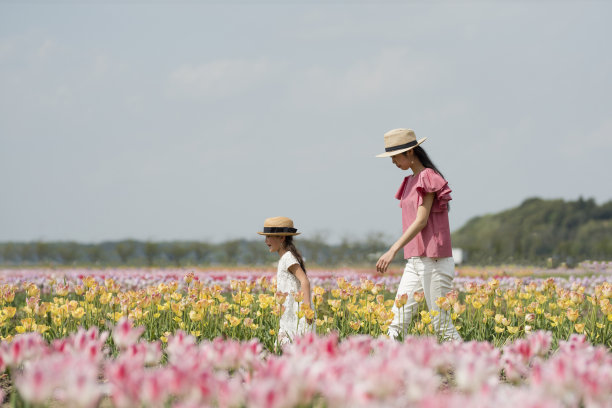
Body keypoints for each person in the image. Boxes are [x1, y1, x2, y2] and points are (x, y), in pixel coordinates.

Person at [375, 128, 461, 341]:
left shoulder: (428, 177)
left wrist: (392, 249)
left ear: (410, 152)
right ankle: (388, 369)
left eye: (395, 156)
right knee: (397, 321)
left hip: (434, 260)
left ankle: (474, 365)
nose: (393, 161)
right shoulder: (409, 181)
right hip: (415, 260)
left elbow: (421, 221)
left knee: (440, 324)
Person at [258, 216, 313, 347]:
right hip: (289, 311)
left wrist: (307, 309)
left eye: (269, 237)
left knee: (291, 346)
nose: (266, 241)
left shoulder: (288, 258)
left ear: (282, 238)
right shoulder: (285, 257)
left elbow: (305, 281)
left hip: (296, 312)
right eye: (265, 237)